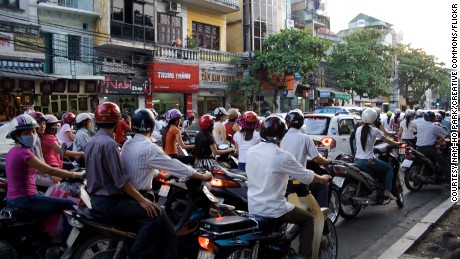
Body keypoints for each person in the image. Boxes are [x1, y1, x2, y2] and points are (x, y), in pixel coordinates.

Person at [84, 102, 176, 258]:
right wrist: (143, 201)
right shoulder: (110, 145)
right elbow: (121, 180)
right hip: (110, 202)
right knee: (155, 214)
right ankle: (137, 255)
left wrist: (158, 175)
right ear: (117, 121)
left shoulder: (91, 142)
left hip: (95, 200)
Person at [245, 116, 331, 259]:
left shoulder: (251, 151)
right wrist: (323, 179)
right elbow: (306, 175)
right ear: (282, 135)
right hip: (274, 208)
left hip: (253, 207)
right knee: (309, 219)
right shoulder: (282, 156)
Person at [5, 114, 85, 257]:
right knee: (71, 205)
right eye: (27, 133)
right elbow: (49, 169)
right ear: (17, 136)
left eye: (33, 131)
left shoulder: (13, 151)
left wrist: (56, 172)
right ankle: (63, 247)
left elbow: (41, 169)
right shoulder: (25, 154)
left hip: (15, 198)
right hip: (27, 199)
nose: (32, 135)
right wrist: (76, 175)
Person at [121, 109, 212, 197]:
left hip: (127, 194)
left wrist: (162, 175)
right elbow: (176, 166)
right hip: (141, 196)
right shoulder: (150, 147)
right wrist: (202, 177)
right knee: (161, 212)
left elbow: (141, 166)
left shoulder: (127, 143)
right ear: (152, 129)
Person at [281, 110, 333, 207]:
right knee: (323, 184)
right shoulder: (305, 138)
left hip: (282, 181)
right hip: (298, 181)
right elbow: (317, 159)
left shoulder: (280, 137)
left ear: (287, 123)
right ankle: (322, 214)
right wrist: (329, 161)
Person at [355, 108, 401, 200]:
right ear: (375, 118)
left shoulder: (358, 129)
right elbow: (387, 140)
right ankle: (387, 191)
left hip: (357, 160)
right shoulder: (374, 130)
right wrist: (397, 144)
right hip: (368, 160)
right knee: (389, 168)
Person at [415, 111, 451, 181]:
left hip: (418, 148)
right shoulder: (434, 127)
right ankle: (451, 183)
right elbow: (447, 135)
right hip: (429, 149)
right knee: (444, 164)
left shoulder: (419, 125)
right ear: (434, 118)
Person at [29, 111, 59, 187]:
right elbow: (33, 166)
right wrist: (51, 173)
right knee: (55, 184)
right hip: (34, 175)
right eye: (39, 124)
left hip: (43, 171)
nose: (43, 126)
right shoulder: (32, 141)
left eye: (44, 124)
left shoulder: (38, 138)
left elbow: (41, 159)